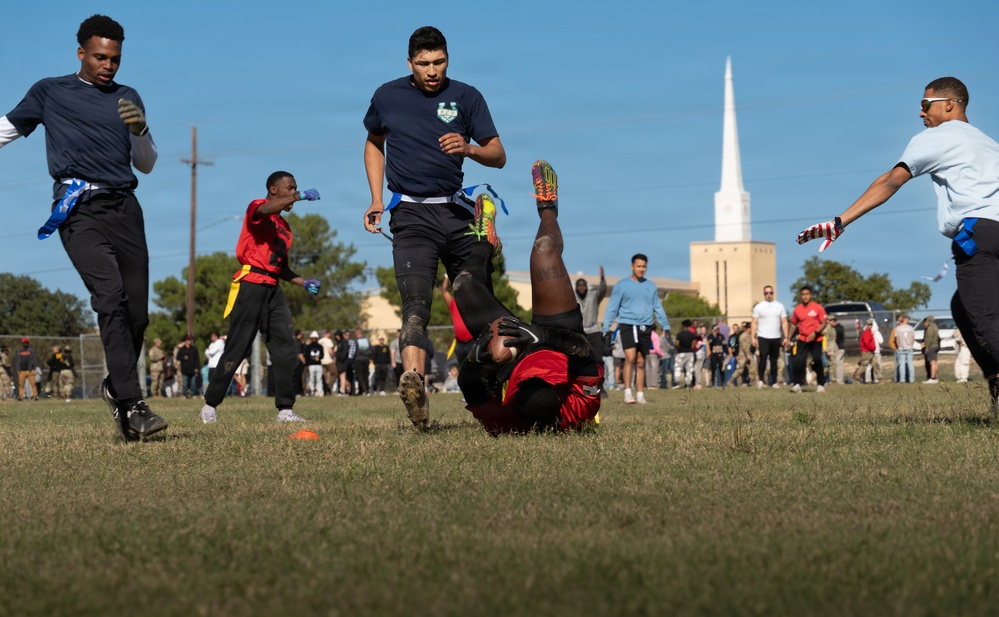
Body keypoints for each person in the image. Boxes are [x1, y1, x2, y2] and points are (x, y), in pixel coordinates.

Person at [0, 15, 166, 438]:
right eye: (100, 57)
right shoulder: (50, 91)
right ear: (81, 53)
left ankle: (115, 387)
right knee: (109, 297)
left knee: (138, 315)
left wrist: (141, 130)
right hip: (79, 209)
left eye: (115, 58)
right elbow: (6, 130)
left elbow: (145, 164)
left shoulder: (128, 97)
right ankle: (133, 404)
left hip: (126, 209)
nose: (108, 65)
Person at [797, 76, 999, 415]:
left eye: (925, 104)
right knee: (963, 307)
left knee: (985, 317)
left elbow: (892, 180)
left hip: (979, 233)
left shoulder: (938, 136)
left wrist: (840, 221)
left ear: (949, 105)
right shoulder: (987, 143)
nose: (920, 113)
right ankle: (996, 381)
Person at [362, 26, 506, 427]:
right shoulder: (387, 96)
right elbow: (374, 143)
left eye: (439, 62)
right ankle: (415, 384)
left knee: (480, 308)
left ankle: (494, 392)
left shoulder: (467, 96)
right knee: (416, 305)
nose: (432, 71)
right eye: (423, 64)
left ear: (448, 59)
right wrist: (376, 198)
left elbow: (499, 155)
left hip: (458, 214)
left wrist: (470, 148)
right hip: (410, 215)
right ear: (409, 63)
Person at [448, 161, 601, 435]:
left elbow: (470, 390)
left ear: (513, 400)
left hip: (511, 360)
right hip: (560, 343)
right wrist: (542, 336)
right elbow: (587, 354)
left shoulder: (506, 423)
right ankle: (547, 207)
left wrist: (474, 359)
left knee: (463, 285)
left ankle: (485, 242)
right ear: (559, 395)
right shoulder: (579, 408)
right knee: (544, 251)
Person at [198, 171, 321, 424]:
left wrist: (302, 282)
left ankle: (285, 410)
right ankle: (210, 406)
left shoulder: (285, 229)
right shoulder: (257, 207)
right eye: (289, 188)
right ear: (273, 190)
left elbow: (281, 267)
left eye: (295, 188)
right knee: (238, 347)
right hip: (251, 283)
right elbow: (265, 211)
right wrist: (298, 197)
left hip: (273, 289)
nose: (292, 192)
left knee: (287, 348)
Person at [601, 254, 670, 404]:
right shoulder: (621, 285)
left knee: (640, 362)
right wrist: (606, 328)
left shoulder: (650, 286)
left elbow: (657, 307)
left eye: (644, 266)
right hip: (627, 324)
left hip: (645, 326)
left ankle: (640, 394)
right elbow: (612, 307)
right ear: (632, 266)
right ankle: (627, 393)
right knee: (630, 358)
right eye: (638, 266)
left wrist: (666, 326)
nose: (641, 269)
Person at [750, 285, 789, 388]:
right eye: (766, 293)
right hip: (763, 336)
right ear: (764, 294)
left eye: (771, 293)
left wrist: (786, 337)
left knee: (774, 360)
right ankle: (761, 381)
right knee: (762, 358)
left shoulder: (780, 306)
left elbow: (784, 321)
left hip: (776, 337)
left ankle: (774, 382)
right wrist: (753, 337)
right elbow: (754, 322)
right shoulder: (759, 307)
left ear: (773, 293)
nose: (769, 295)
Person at [790, 286, 827, 393]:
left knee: (817, 359)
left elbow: (824, 323)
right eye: (803, 294)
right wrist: (788, 338)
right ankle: (797, 384)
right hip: (803, 338)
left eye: (807, 294)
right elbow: (793, 324)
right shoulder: (797, 309)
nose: (805, 296)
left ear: (811, 295)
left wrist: (815, 332)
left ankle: (820, 385)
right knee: (799, 361)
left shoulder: (818, 307)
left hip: (816, 339)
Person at [575, 267, 607, 365]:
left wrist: (602, 279)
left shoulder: (593, 296)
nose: (581, 288)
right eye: (579, 286)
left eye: (583, 285)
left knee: (597, 359)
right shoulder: (572, 298)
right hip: (578, 333)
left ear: (586, 287)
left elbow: (602, 290)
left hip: (593, 332)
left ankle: (599, 378)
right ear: (576, 287)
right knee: (578, 360)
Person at [853, 319, 882, 384]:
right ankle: (856, 378)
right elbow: (867, 343)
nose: (870, 326)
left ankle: (880, 378)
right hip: (866, 352)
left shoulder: (870, 332)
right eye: (869, 325)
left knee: (876, 365)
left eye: (871, 325)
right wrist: (872, 348)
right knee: (864, 365)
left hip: (871, 352)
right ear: (867, 325)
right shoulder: (866, 333)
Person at [892, 315, 916, 383]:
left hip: (901, 348)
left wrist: (899, 346)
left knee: (901, 364)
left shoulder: (898, 328)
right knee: (910, 364)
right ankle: (912, 379)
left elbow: (897, 339)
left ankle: (902, 380)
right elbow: (913, 338)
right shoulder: (911, 328)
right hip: (909, 348)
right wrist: (911, 345)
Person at [303, 331, 325, 397]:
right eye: (313, 338)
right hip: (311, 365)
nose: (314, 339)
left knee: (319, 379)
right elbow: (306, 357)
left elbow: (322, 355)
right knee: (311, 378)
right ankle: (312, 391)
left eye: (315, 338)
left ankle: (320, 391)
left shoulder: (320, 346)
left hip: (318, 365)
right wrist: (307, 365)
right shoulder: (308, 347)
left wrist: (319, 356)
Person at [922, 316, 941, 384]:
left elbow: (929, 338)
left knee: (932, 363)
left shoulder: (930, 328)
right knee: (935, 362)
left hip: (931, 346)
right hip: (936, 346)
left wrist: (927, 347)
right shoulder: (935, 326)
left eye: (925, 322)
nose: (924, 324)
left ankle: (932, 378)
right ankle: (936, 378)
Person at [353, 328, 371, 396]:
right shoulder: (366, 340)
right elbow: (370, 349)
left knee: (359, 376)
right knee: (365, 375)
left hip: (358, 359)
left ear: (357, 333)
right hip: (366, 359)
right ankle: (368, 390)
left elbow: (354, 350)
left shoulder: (356, 341)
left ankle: (364, 390)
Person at [318, 329, 336, 395]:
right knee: (334, 373)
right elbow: (330, 350)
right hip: (328, 360)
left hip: (321, 361)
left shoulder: (319, 341)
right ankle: (329, 387)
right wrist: (333, 357)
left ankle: (325, 391)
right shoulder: (329, 341)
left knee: (325, 377)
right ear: (327, 333)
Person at [336, 330, 353, 396]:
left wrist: (340, 359)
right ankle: (343, 390)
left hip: (343, 363)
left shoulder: (345, 343)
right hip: (339, 363)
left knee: (343, 377)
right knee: (341, 377)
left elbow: (344, 353)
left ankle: (343, 391)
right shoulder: (339, 343)